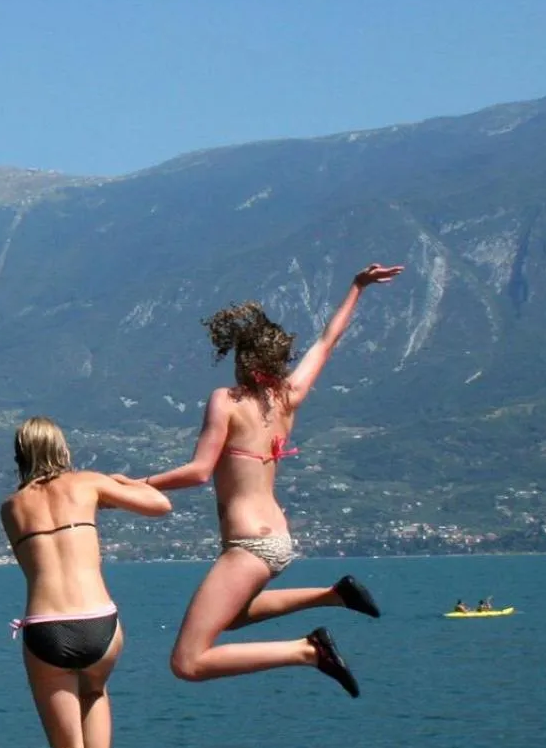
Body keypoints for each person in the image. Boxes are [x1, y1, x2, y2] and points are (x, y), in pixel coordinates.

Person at [138, 263, 403, 697]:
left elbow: (199, 472)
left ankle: (307, 651)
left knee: (187, 662)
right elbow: (327, 341)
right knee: (231, 615)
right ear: (278, 360)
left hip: (249, 545)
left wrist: (133, 484)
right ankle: (334, 595)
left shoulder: (227, 401)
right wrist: (357, 287)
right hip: (276, 539)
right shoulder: (289, 398)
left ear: (242, 358)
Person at [0, 415, 171, 748]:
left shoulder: (10, 508)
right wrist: (118, 484)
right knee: (95, 691)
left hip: (46, 630)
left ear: (20, 455)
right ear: (63, 446)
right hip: (100, 621)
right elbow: (161, 505)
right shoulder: (89, 483)